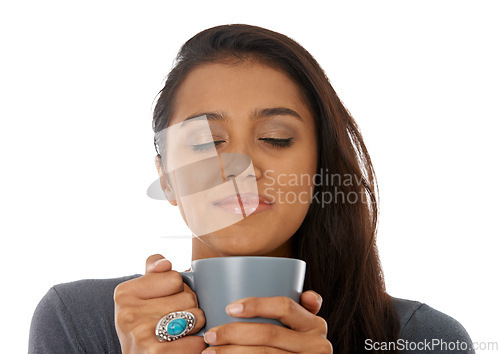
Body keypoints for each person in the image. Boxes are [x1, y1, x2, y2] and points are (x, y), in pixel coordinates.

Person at [29, 24, 474, 354]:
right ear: (166, 177)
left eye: (276, 138)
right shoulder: (78, 320)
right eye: (206, 142)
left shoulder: (419, 338)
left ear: (319, 169)